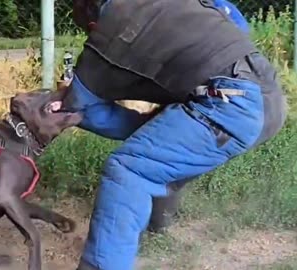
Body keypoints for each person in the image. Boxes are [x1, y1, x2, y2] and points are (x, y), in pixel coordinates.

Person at [64, 0, 288, 269]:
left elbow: (79, 107)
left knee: (129, 170)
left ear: (91, 23)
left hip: (232, 107)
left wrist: (60, 104)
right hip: (269, 94)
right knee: (161, 145)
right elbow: (235, 19)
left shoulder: (105, 37)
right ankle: (159, 225)